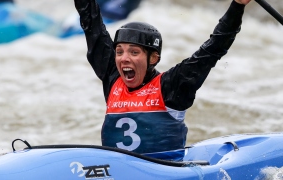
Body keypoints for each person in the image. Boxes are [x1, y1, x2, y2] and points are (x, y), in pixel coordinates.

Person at [74, 0, 252, 161]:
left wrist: (237, 5)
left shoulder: (172, 86)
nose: (124, 58)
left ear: (153, 58)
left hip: (164, 172)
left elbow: (213, 49)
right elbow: (92, 25)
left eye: (134, 52)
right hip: (119, 171)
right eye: (119, 52)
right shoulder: (113, 79)